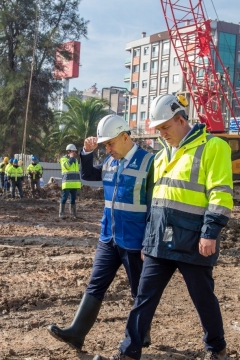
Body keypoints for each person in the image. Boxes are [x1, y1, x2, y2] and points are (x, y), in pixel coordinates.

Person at [94, 94, 234, 360]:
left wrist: (210, 232)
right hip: (160, 239)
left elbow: (221, 193)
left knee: (203, 299)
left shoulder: (213, 147)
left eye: (165, 127)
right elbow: (155, 203)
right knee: (143, 297)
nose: (162, 133)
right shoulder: (161, 156)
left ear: (181, 120)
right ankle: (128, 352)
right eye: (158, 129)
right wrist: (149, 240)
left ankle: (217, 349)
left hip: (193, 239)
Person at [48, 115, 155, 351]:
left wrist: (149, 242)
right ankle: (77, 333)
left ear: (125, 137)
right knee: (95, 284)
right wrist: (87, 152)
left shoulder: (149, 162)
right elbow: (87, 175)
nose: (107, 149)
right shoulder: (110, 162)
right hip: (109, 237)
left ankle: (141, 335)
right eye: (104, 145)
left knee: (139, 290)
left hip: (135, 241)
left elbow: (154, 207)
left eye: (110, 144)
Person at [59, 144, 81, 218]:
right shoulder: (63, 159)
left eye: (75, 152)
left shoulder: (76, 160)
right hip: (67, 183)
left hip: (74, 184)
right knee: (64, 198)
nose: (74, 153)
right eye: (73, 151)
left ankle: (73, 214)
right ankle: (61, 213)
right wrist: (71, 159)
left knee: (73, 200)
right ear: (68, 151)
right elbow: (67, 167)